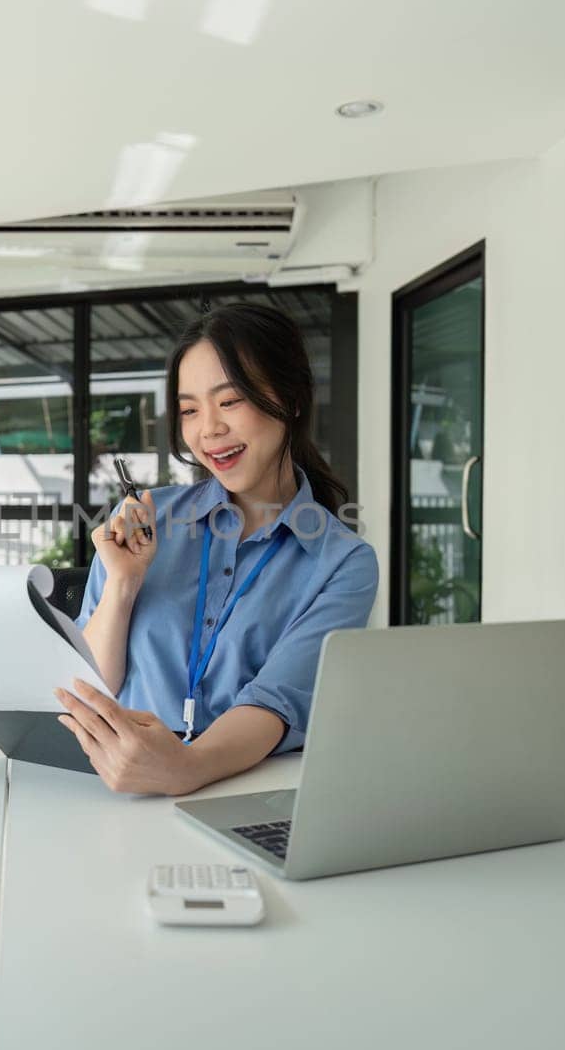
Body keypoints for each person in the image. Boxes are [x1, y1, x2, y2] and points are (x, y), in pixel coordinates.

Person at [57, 302, 379, 796]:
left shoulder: (343, 563)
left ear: (291, 400)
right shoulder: (147, 519)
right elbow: (89, 687)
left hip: (242, 795)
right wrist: (122, 585)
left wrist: (187, 767)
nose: (208, 430)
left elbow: (276, 701)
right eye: (189, 410)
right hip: (113, 789)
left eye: (229, 401)